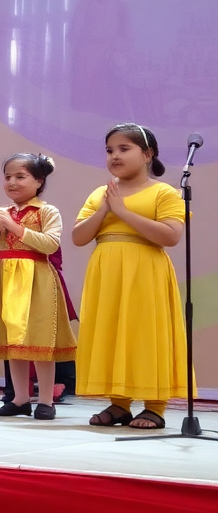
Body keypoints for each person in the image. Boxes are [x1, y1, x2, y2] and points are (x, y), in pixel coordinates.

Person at [72, 123, 187, 430]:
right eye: (110, 150)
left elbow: (171, 236)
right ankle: (119, 403)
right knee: (113, 332)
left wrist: (123, 212)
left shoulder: (164, 192)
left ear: (148, 154)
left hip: (145, 272)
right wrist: (105, 209)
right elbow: (79, 237)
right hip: (107, 273)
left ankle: (155, 406)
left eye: (124, 149)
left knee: (146, 333)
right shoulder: (101, 194)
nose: (115, 156)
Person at [0, 154, 77, 420]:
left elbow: (50, 244)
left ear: (39, 181)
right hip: (6, 280)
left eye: (20, 176)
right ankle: (20, 398)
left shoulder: (47, 211)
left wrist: (14, 228)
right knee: (13, 341)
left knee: (40, 340)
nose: (12, 182)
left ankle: (45, 400)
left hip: (37, 280)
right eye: (8, 177)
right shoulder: (1, 213)